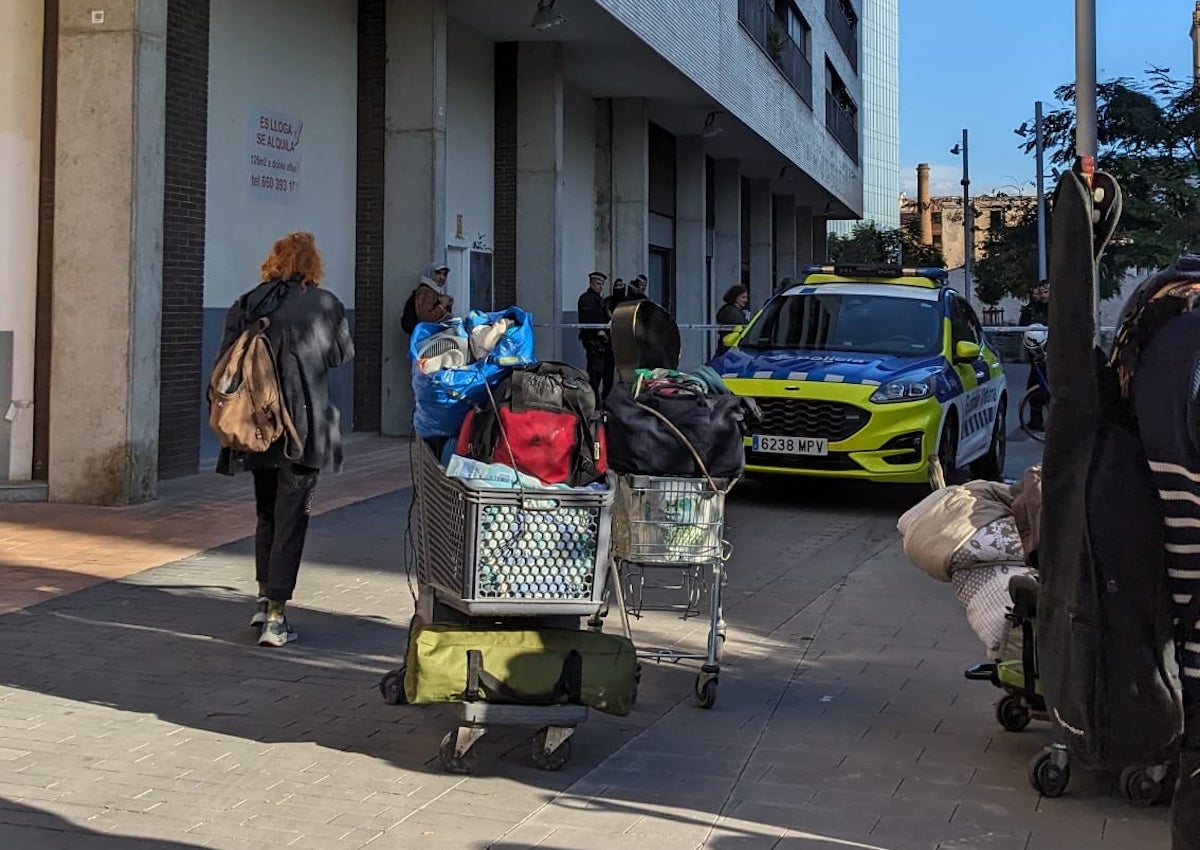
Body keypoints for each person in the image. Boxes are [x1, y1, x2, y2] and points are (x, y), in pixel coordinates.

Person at [215, 232, 355, 647]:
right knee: (293, 518)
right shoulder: (326, 304)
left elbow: (225, 360)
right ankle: (277, 616)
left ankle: (263, 600)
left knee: (267, 514)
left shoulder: (249, 302)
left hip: (257, 427)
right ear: (313, 265)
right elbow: (340, 356)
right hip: (304, 429)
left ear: (273, 261)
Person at [1019, 281, 1050, 430]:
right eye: (1037, 293)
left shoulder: (1054, 309)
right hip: (1035, 352)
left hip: (1052, 351)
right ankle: (1035, 419)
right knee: (1035, 384)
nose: (1040, 296)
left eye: (1044, 292)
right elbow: (1024, 328)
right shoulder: (1030, 310)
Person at [577, 271, 613, 399]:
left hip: (603, 343)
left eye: (602, 284)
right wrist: (599, 331)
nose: (600, 287)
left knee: (605, 373)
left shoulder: (599, 299)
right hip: (594, 342)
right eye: (598, 284)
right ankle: (594, 402)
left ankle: (601, 401)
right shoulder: (586, 299)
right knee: (595, 374)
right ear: (591, 283)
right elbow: (589, 318)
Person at [410, 262, 454, 327]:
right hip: (425, 334)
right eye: (438, 273)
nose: (442, 277)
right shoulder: (426, 291)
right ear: (430, 273)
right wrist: (442, 305)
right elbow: (425, 319)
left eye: (445, 274)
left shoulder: (434, 291)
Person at [715, 285, 750, 354]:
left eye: (746, 297)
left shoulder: (728, 310)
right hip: (730, 349)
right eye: (743, 297)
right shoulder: (732, 312)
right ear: (735, 297)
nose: (746, 300)